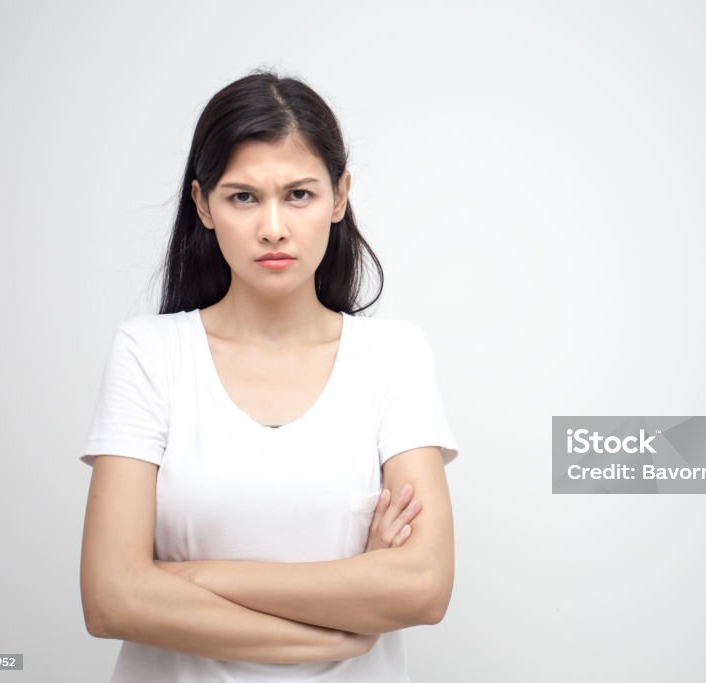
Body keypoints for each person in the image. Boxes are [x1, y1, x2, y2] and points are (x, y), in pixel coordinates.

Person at [78, 69, 459, 683]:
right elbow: (111, 600)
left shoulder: (394, 356)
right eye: (243, 197)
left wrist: (182, 577)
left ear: (340, 197)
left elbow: (423, 586)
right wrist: (343, 614)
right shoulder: (150, 354)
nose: (273, 227)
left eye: (300, 194)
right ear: (203, 204)